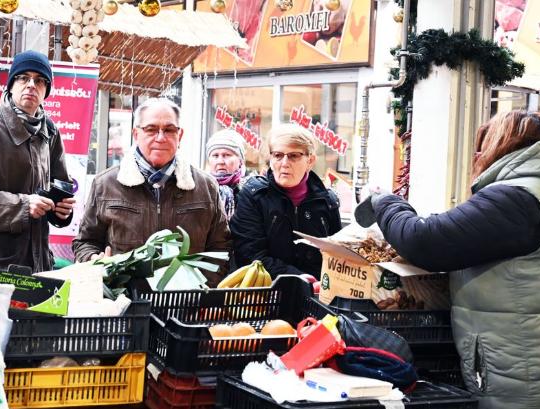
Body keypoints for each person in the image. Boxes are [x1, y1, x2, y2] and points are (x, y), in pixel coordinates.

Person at [360, 111, 540, 409]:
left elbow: (423, 240)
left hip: (526, 381)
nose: (476, 159)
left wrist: (385, 201)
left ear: (501, 146)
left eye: (480, 149)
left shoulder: (518, 197)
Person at [73, 97, 230, 279]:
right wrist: (95, 261)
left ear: (180, 135)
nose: (161, 137)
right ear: (136, 133)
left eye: (169, 130)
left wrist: (201, 287)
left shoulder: (206, 187)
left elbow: (221, 247)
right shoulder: (105, 184)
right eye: (151, 129)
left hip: (186, 301)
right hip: (124, 302)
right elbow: (85, 242)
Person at [0, 50, 74, 272]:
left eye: (40, 80)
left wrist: (61, 210)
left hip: (39, 261)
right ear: (11, 85)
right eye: (24, 78)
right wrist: (23, 206)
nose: (31, 85)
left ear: (47, 91)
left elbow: (60, 184)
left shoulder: (50, 132)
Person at [229, 123, 341, 278]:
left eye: (294, 156)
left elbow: (338, 257)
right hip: (267, 293)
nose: (284, 163)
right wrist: (296, 278)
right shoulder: (254, 195)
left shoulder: (328, 201)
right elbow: (249, 255)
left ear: (310, 160)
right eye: (278, 155)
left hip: (317, 296)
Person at [205, 128, 247, 220]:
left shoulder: (250, 192)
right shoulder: (200, 189)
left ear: (240, 161)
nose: (220, 161)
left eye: (227, 155)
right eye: (215, 155)